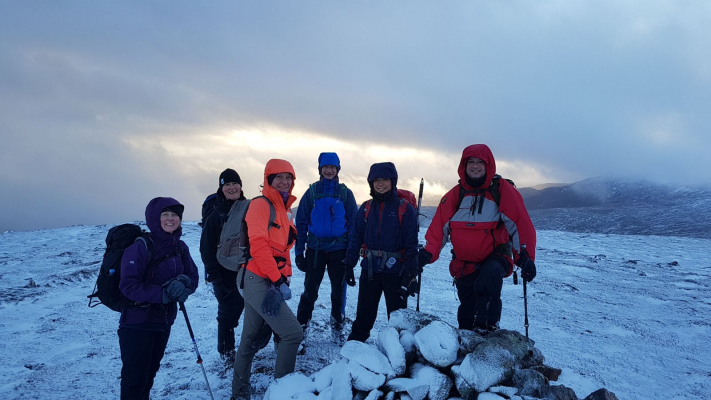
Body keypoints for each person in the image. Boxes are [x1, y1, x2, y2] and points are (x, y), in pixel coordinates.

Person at [419, 144, 537, 334]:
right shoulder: (454, 196)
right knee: (466, 313)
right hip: (464, 263)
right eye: (470, 162)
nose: (475, 166)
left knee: (488, 279)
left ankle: (487, 331)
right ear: (463, 166)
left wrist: (526, 256)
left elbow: (520, 224)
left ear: (488, 165)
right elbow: (438, 230)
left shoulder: (502, 190)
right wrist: (427, 254)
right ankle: (467, 344)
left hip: (496, 257)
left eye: (480, 162)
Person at [231, 159, 303, 400]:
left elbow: (283, 249)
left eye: (289, 177)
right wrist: (277, 279)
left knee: (250, 339)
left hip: (269, 279)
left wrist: (284, 277)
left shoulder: (284, 208)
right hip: (257, 278)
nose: (284, 182)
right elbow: (259, 245)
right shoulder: (261, 205)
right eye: (278, 177)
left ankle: (239, 393)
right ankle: (283, 393)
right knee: (292, 334)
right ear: (268, 179)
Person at [118, 197, 199, 400]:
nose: (171, 219)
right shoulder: (141, 246)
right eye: (165, 214)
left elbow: (193, 276)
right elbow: (128, 285)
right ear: (154, 218)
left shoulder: (180, 247)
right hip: (137, 322)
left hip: (163, 321)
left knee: (149, 374)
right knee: (135, 380)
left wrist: (183, 283)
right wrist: (162, 294)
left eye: (175, 215)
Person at [343, 162, 418, 343]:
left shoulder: (404, 209)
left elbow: (411, 245)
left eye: (385, 179)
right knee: (363, 317)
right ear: (370, 183)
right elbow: (356, 238)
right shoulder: (366, 208)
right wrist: (349, 264)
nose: (380, 184)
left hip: (396, 274)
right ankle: (352, 353)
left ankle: (402, 358)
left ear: (393, 181)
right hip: (370, 271)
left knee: (398, 321)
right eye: (376, 180)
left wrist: (410, 274)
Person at [294, 152, 358, 344]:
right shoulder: (312, 192)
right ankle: (302, 326)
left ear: (338, 169)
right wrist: (299, 252)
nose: (329, 170)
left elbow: (355, 225)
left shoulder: (345, 193)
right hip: (315, 251)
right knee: (310, 291)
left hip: (340, 249)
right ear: (320, 169)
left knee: (338, 291)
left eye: (332, 167)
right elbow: (302, 223)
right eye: (325, 167)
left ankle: (337, 326)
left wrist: (352, 254)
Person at [199, 168, 247, 365]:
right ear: (221, 188)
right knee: (227, 316)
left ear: (241, 186)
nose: (232, 187)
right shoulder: (215, 215)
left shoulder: (250, 208)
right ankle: (227, 355)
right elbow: (206, 249)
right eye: (226, 184)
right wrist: (215, 278)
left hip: (248, 269)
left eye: (234, 183)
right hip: (225, 273)